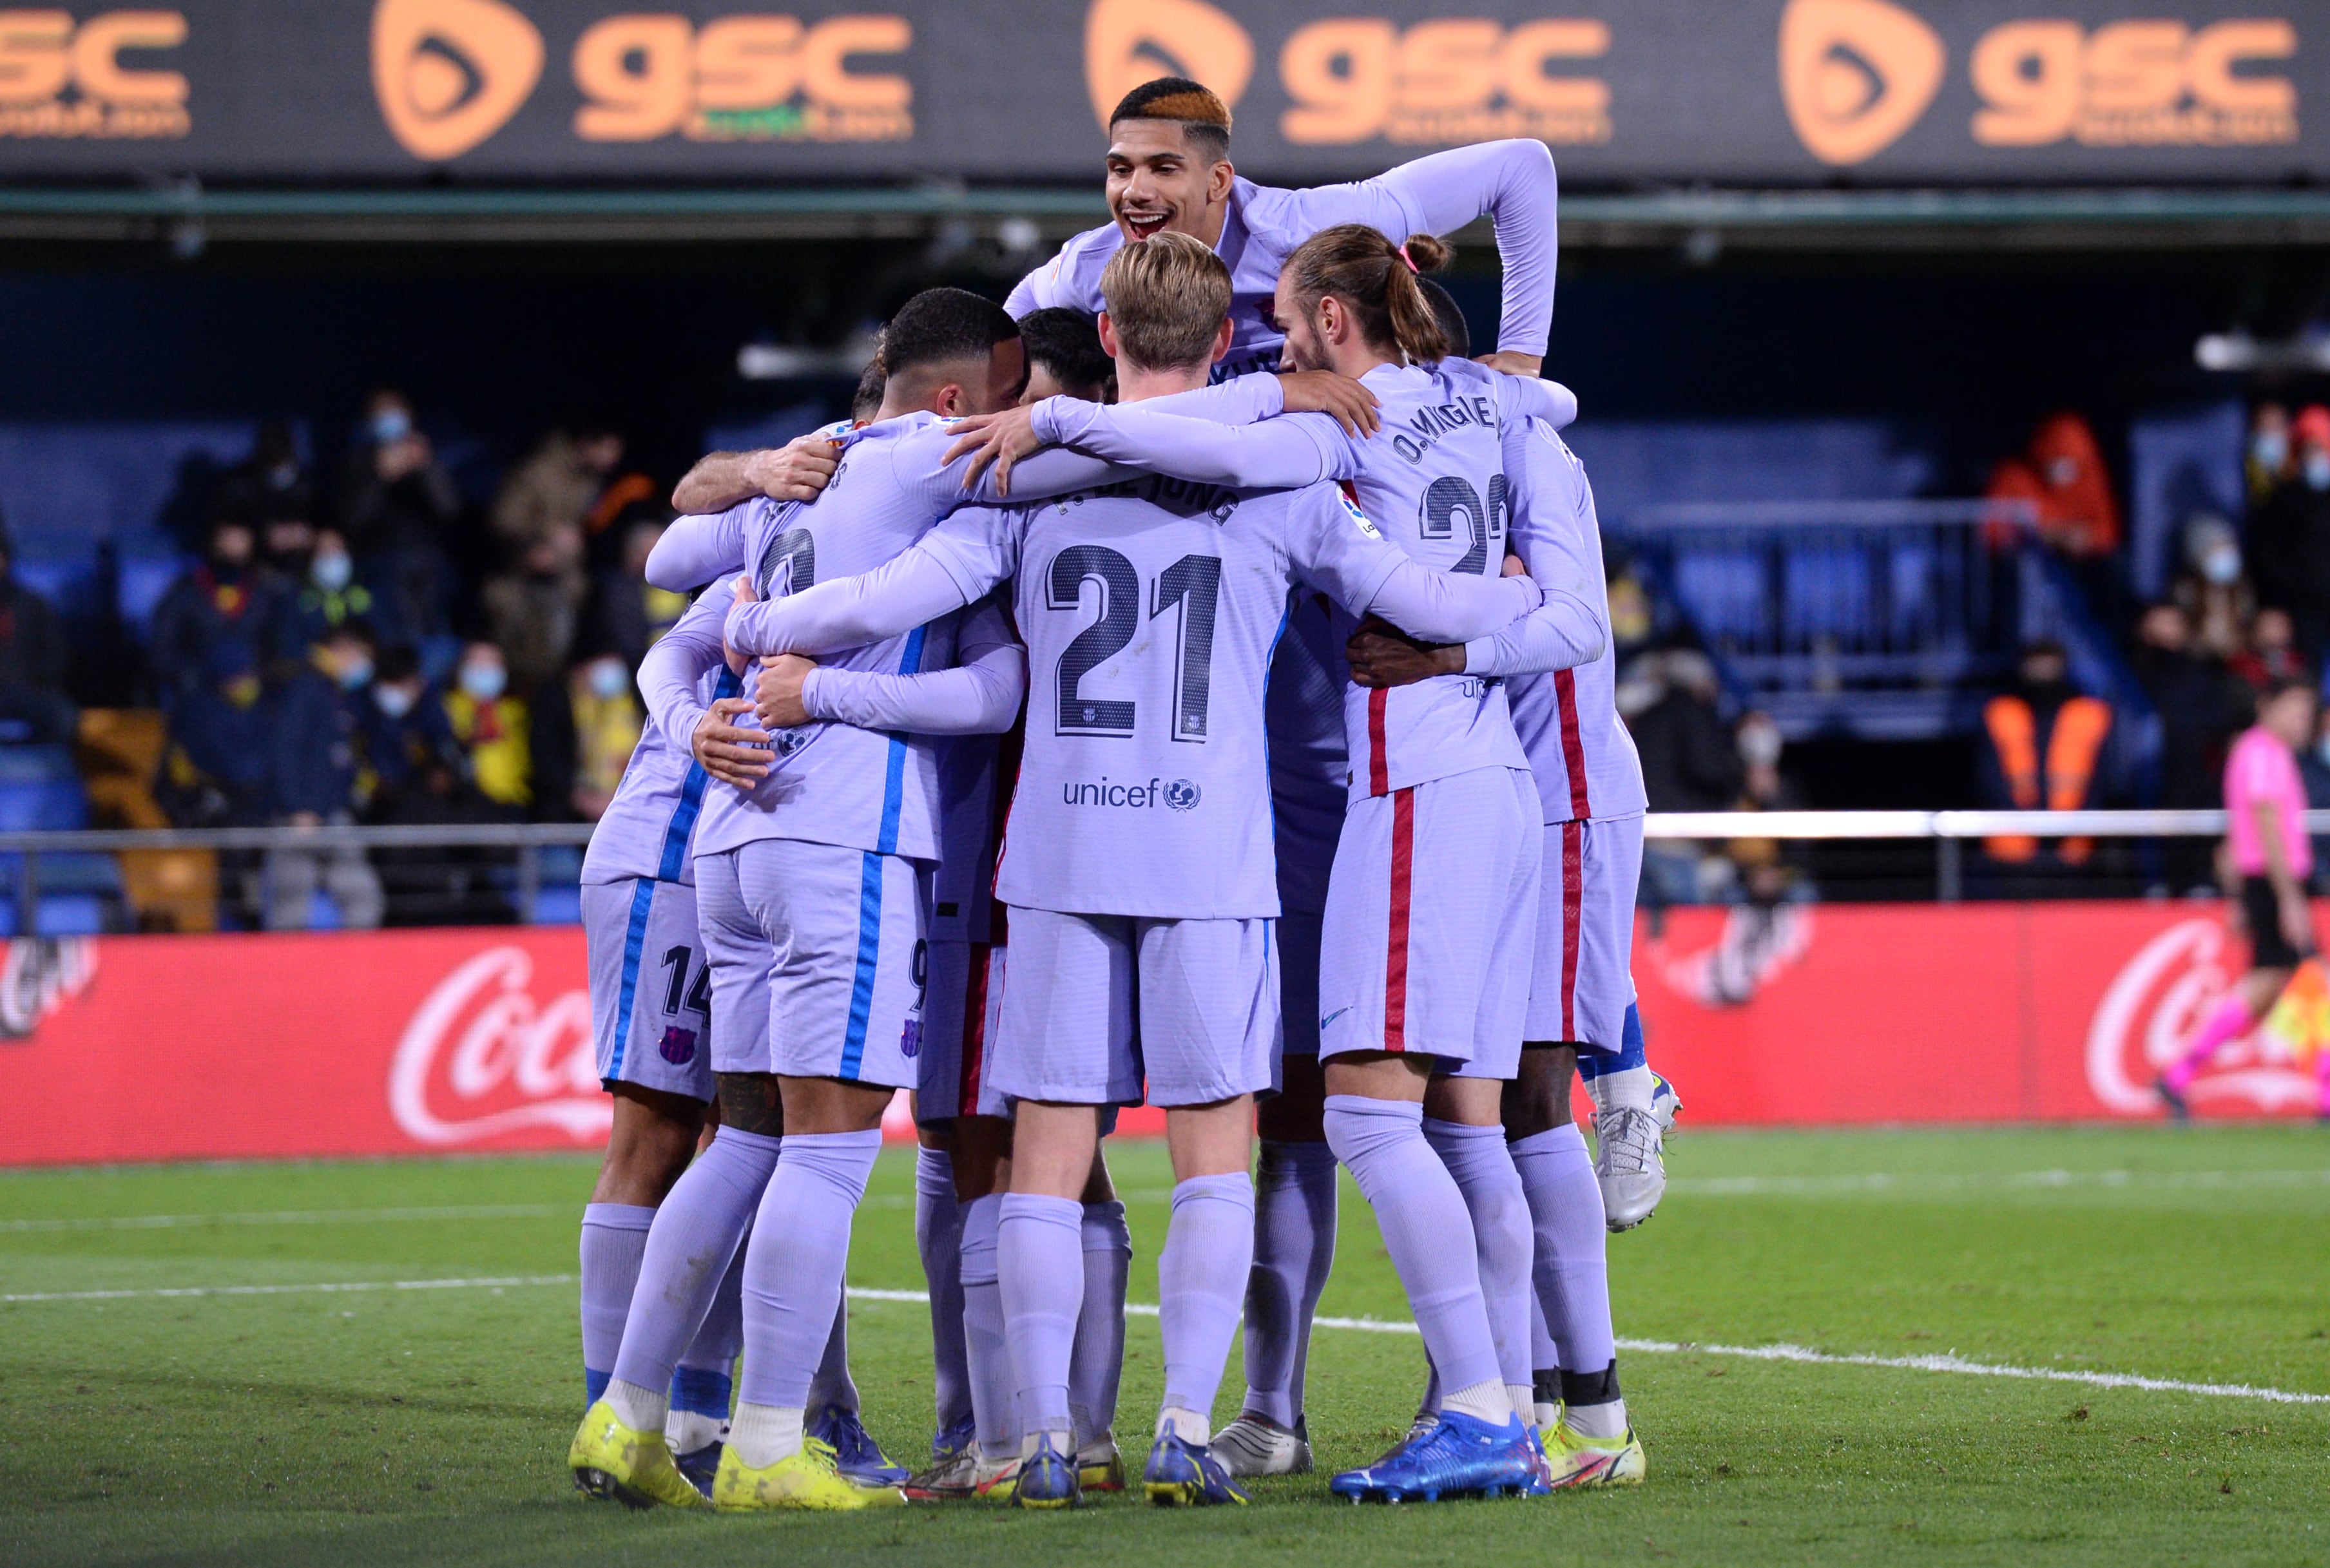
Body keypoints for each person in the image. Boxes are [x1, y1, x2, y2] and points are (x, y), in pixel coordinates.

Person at [723, 233, 1561, 1510]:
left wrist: (757, 632)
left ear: (1103, 336)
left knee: (1047, 1156)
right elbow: (1412, 596)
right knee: (1212, 1151)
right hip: (1209, 856)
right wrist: (1510, 601)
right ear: (1225, 345)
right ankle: (1181, 1421)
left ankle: (1047, 1433)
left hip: (1057, 851)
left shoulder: (1025, 474)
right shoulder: (1281, 483)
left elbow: (884, 595)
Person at [573, 285, 1113, 1514]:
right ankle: (771, 1437)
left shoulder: (802, 475)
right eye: (1016, 392)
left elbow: (668, 553)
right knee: (821, 1151)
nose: (1027, 416)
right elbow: (998, 675)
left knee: (748, 1135)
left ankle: (627, 1409)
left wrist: (749, 532)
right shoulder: (951, 465)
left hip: (732, 836)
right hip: (845, 837)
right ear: (960, 397)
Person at [566, 574, 760, 1504]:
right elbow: (665, 646)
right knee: (655, 1135)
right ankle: (614, 1417)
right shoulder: (773, 540)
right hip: (670, 859)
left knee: (748, 1135)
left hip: (752, 867)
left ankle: (697, 1414)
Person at [1006, 76, 1557, 381]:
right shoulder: (1094, 266)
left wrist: (1523, 353)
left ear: (1218, 181)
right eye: (1120, 169)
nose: (1135, 191)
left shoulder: (1308, 231)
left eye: (1164, 168)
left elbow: (1520, 168)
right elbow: (1026, 299)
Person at [2157, 678, 2321, 1117]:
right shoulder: (2264, 753)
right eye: (2296, 710)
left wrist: (2239, 895)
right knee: (2309, 979)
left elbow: (2235, 832)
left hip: (2262, 882)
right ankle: (2324, 1091)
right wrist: (2289, 898)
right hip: (2275, 879)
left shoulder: (2254, 752)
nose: (2303, 722)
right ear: (2268, 707)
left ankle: (2180, 1075)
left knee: (2275, 984)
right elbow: (2266, 826)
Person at [264, 623, 386, 931]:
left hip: (332, 810)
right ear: (344, 649)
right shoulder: (305, 685)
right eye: (362, 656)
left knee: (363, 899)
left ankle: (353, 972)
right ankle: (287, 975)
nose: (364, 666)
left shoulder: (334, 690)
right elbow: (285, 748)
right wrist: (296, 808)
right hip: (300, 816)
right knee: (290, 907)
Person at [2131, 602, 2249, 892]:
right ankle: (2155, 884)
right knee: (2151, 829)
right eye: (2159, 622)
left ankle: (2198, 882)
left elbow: (2221, 717)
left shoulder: (2201, 672)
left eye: (2173, 622)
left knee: (2196, 823)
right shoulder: (2132, 671)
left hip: (2194, 768)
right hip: (2148, 772)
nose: (2167, 630)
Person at [1978, 640, 2113, 872]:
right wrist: (2020, 819)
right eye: (2036, 666)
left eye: (2049, 666)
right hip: (2013, 842)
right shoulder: (2001, 711)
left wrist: (2079, 824)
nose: (2042, 674)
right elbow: (1988, 774)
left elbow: (2102, 778)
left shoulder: (2090, 713)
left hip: (2075, 842)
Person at [337, 389, 461, 638]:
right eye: (381, 413)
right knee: (392, 640)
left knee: (434, 639)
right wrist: (380, 478)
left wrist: (426, 468)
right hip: (379, 566)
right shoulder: (358, 461)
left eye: (395, 411)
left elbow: (450, 509)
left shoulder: (426, 457)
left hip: (428, 566)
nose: (390, 418)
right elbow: (352, 519)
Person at [1630, 649, 1743, 904]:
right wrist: (1737, 781)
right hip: (1676, 836)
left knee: (1641, 928)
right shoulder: (1691, 713)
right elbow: (1706, 768)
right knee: (1688, 926)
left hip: (1641, 832)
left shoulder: (1646, 716)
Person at [148, 519, 285, 711]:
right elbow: (162, 651)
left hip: (256, 696)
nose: (233, 547)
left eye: (241, 540)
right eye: (227, 539)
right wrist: (200, 676)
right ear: (213, 543)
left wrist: (256, 678)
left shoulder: (267, 593)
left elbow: (281, 648)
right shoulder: (185, 592)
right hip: (199, 694)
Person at [482, 524, 590, 700]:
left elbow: (578, 584)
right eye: (537, 553)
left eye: (548, 552)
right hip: (512, 672)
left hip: (557, 673)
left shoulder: (570, 591)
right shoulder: (504, 591)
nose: (543, 559)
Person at [271, 527, 398, 662]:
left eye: (336, 549)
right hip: (314, 673)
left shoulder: (367, 595)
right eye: (323, 551)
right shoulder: (298, 599)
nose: (331, 556)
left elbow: (388, 636)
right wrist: (324, 658)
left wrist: (365, 652)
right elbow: (289, 644)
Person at [0, 522, 75, 744]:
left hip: (29, 690)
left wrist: (33, 680)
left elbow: (56, 655)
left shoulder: (34, 604)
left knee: (64, 717)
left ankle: (46, 772)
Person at [443, 642, 530, 810]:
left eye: (492, 662)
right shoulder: (446, 708)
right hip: (460, 804)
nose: (485, 669)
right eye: (477, 662)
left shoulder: (517, 711)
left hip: (510, 802)